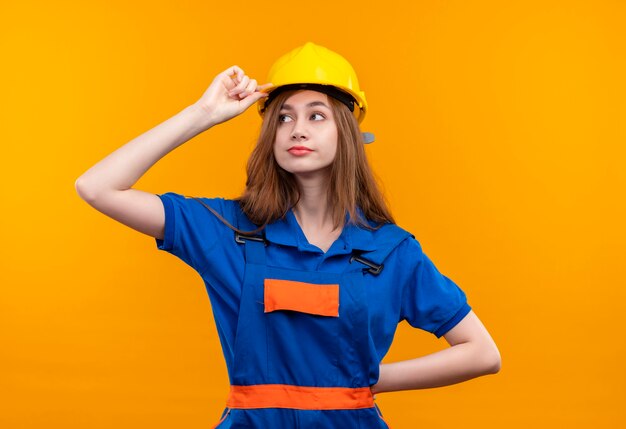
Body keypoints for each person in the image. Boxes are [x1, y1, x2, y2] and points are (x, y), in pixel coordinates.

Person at [75, 42, 501, 428]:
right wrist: (203, 113)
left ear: (348, 134)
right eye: (283, 117)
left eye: (317, 115)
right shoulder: (229, 230)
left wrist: (372, 378)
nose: (297, 129)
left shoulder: (391, 250)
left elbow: (482, 353)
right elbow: (97, 187)